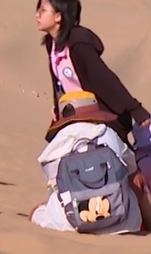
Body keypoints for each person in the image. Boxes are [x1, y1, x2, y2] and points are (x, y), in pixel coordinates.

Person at [36, 0, 151, 144]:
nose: (37, 15)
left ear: (59, 16)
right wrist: (57, 108)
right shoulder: (52, 45)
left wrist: (135, 109)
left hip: (100, 118)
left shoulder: (77, 43)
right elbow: (59, 83)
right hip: (76, 118)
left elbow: (103, 78)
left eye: (42, 10)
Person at [31, 91, 144, 234]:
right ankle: (150, 226)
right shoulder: (108, 133)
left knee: (36, 211)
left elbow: (53, 186)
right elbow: (133, 170)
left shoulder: (57, 143)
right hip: (123, 223)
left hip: (69, 225)